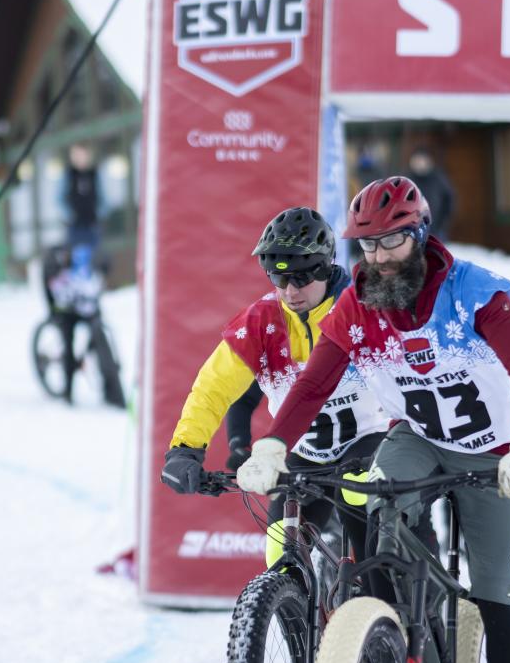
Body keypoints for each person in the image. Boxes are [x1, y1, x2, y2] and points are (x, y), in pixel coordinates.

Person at [236, 177, 510, 663]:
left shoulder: (471, 293)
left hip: (491, 453)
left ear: (421, 233)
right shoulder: (356, 305)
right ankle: (386, 646)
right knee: (376, 512)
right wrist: (274, 443)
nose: (380, 256)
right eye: (368, 244)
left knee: (493, 585)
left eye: (394, 241)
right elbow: (313, 384)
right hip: (416, 437)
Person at [160, 206, 390, 574]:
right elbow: (212, 388)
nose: (289, 291)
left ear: (325, 266)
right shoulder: (261, 322)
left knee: (367, 536)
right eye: (278, 279)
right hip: (302, 451)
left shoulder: (363, 308)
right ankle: (295, 619)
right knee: (279, 555)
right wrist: (185, 449)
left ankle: (388, 611)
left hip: (369, 441)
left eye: (300, 277)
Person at [40, 240, 126, 407]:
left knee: (99, 334)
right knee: (68, 338)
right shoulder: (56, 261)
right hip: (66, 310)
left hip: (87, 308)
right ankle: (68, 391)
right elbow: (54, 294)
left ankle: (112, 391)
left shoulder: (93, 258)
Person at [61, 143, 104, 253]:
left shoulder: (95, 174)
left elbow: (104, 198)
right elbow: (59, 198)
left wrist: (98, 213)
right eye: (77, 155)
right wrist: (69, 214)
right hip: (75, 225)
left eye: (82, 154)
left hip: (91, 224)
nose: (80, 158)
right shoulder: (69, 174)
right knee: (75, 255)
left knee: (93, 255)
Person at [407, 148, 456, 242]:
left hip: (436, 229)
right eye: (417, 160)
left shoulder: (438, 179)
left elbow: (449, 200)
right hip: (412, 229)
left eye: (422, 160)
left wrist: (443, 223)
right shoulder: (407, 179)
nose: (419, 163)